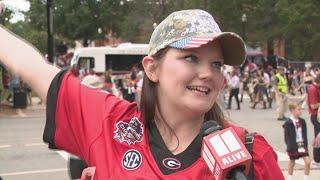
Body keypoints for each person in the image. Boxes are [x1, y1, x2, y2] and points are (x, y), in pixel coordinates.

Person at [0, 9, 284, 179]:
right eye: (190, 58)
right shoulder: (109, 123)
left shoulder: (250, 153)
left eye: (217, 64)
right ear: (152, 68)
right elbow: (33, 67)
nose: (208, 73)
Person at [283, 103, 311, 180]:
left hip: (302, 144)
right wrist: (289, 146)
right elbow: (286, 137)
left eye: (300, 109)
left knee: (308, 162)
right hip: (293, 145)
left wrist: (306, 145)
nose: (300, 111)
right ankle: (289, 178)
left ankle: (306, 178)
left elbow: (305, 135)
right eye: (298, 109)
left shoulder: (302, 121)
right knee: (292, 162)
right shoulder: (288, 123)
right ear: (292, 110)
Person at [307, 74, 320, 165]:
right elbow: (313, 105)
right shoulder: (313, 89)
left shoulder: (317, 88)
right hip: (316, 116)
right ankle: (317, 160)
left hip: (318, 115)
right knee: (318, 138)